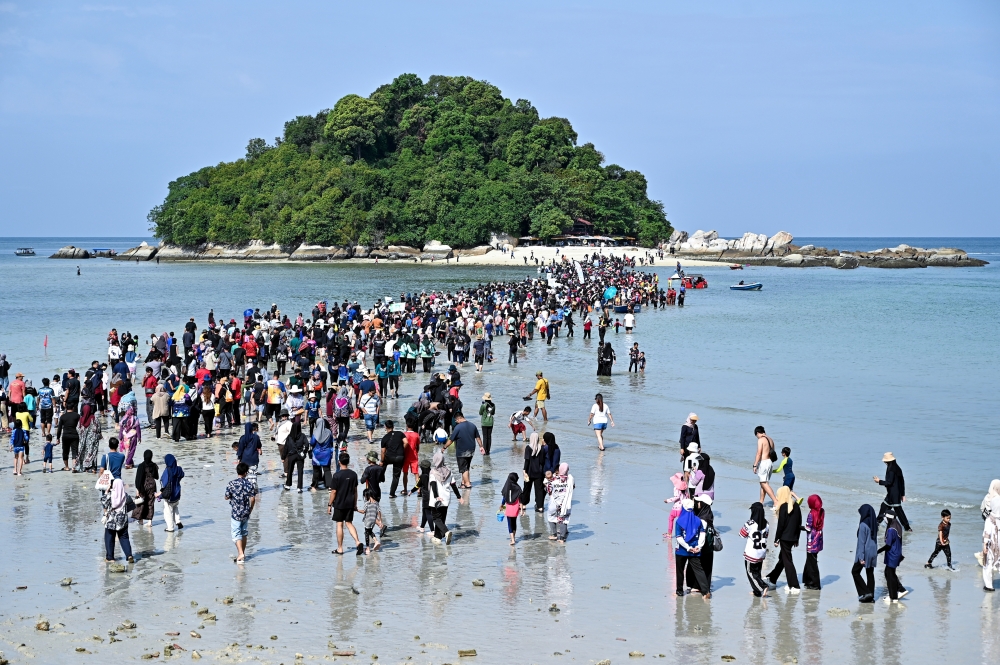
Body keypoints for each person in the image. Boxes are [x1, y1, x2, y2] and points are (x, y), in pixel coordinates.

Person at [766, 486, 802, 593]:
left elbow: (781, 525)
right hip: (792, 538)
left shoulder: (783, 507)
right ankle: (772, 579)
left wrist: (776, 539)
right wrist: (797, 538)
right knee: (783, 559)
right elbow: (799, 523)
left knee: (787, 561)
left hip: (784, 538)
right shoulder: (796, 506)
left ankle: (794, 585)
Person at [328, 452, 363, 556]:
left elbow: (333, 492)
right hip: (350, 503)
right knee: (349, 523)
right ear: (348, 462)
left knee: (339, 524)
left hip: (339, 503)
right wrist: (355, 504)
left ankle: (340, 548)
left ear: (339, 462)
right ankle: (358, 542)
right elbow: (355, 491)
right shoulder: (353, 474)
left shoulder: (337, 475)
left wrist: (329, 505)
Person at [674, 498, 710, 599]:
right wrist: (699, 546)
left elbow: (679, 537)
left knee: (680, 570)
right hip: (695, 549)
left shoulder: (679, 521)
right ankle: (705, 591)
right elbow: (702, 534)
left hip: (681, 550)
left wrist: (688, 548)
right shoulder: (698, 520)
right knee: (699, 570)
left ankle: (679, 591)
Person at [226, 462, 258, 563]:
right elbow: (253, 499)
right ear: (246, 473)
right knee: (244, 532)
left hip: (236, 512)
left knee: (236, 534)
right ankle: (242, 555)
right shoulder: (249, 484)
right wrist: (250, 509)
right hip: (246, 511)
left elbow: (226, 496)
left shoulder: (231, 483)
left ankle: (240, 553)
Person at [428, 450, 462, 544]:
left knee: (436, 518)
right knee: (441, 518)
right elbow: (453, 485)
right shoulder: (449, 471)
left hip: (436, 499)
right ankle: (437, 538)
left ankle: (446, 532)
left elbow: (433, 484)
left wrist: (436, 496)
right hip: (446, 498)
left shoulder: (433, 472)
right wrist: (459, 497)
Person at [444, 412, 483, 489]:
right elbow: (478, 438)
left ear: (458, 418)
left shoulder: (458, 428)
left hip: (462, 451)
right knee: (466, 466)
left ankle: (467, 484)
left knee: (463, 468)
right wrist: (481, 447)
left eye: (456, 420)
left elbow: (451, 440)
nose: (456, 422)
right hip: (471, 450)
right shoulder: (473, 425)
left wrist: (444, 447)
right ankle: (463, 483)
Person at [874, 452, 911, 531]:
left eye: (885, 461)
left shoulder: (891, 470)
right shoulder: (897, 468)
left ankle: (907, 528)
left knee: (899, 511)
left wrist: (879, 481)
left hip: (893, 495)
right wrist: (902, 494)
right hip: (893, 494)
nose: (884, 462)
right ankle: (877, 523)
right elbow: (902, 482)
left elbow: (889, 482)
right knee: (884, 506)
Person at [740, 502, 770, 597]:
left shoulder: (750, 523)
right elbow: (766, 536)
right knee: (757, 572)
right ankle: (756, 591)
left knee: (750, 573)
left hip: (751, 553)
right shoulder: (767, 524)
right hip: (761, 552)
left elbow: (742, 534)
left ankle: (763, 586)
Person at [101, 478, 134, 563]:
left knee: (109, 537)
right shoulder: (125, 495)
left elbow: (104, 503)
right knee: (124, 537)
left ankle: (110, 558)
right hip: (123, 519)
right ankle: (129, 555)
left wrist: (106, 491)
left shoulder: (110, 495)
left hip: (111, 520)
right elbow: (132, 505)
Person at [878, 510, 905, 603]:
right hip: (897, 553)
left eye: (885, 518)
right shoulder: (897, 525)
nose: (884, 519)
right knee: (888, 572)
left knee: (890, 575)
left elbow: (888, 545)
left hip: (892, 554)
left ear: (888, 518)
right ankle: (900, 589)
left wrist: (878, 551)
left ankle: (893, 597)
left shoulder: (891, 530)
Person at [853, 504, 878, 602]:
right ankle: (871, 597)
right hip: (873, 552)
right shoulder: (874, 523)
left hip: (865, 553)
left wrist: (861, 557)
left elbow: (861, 543)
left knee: (855, 572)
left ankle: (866, 592)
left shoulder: (863, 525)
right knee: (870, 573)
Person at [545, 462, 575, 544]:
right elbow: (573, 487)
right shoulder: (570, 479)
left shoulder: (553, 480)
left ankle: (554, 534)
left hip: (554, 503)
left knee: (551, 517)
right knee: (564, 519)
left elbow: (549, 490)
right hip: (566, 503)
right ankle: (562, 538)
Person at [802, 494, 824, 590]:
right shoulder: (822, 511)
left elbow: (808, 528)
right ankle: (807, 580)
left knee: (812, 563)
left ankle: (815, 584)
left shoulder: (811, 514)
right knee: (811, 560)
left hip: (811, 541)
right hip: (818, 540)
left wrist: (798, 527)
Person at [752, 426, 779, 507]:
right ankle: (761, 502)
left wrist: (755, 465)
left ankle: (775, 501)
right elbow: (772, 451)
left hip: (764, 462)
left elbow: (759, 453)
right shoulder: (770, 439)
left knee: (763, 483)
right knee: (764, 483)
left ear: (757, 433)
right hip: (770, 462)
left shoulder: (761, 440)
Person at [520, 432, 547, 513]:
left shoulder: (528, 448)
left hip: (529, 472)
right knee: (539, 490)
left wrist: (524, 470)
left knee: (526, 489)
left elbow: (527, 461)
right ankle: (540, 507)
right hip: (539, 473)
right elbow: (542, 461)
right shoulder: (541, 448)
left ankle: (524, 505)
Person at [132, 450, 159, 527]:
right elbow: (156, 477)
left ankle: (141, 520)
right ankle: (150, 522)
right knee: (151, 503)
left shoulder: (141, 465)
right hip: (152, 485)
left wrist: (138, 488)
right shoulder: (154, 465)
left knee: (141, 503)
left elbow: (138, 478)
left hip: (143, 485)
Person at [158, 453, 184, 532]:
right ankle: (178, 521)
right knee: (175, 507)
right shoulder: (179, 469)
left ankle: (170, 527)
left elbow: (163, 482)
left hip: (170, 495)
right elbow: (182, 475)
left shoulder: (167, 470)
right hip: (177, 493)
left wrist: (160, 494)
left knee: (168, 511)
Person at [282, 419, 308, 492]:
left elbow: (286, 448)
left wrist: (283, 457)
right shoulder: (302, 436)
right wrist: (304, 452)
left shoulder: (289, 436)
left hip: (291, 455)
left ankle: (288, 485)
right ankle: (299, 487)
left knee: (290, 470)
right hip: (300, 455)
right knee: (300, 471)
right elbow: (307, 445)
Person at [309, 417, 334, 492]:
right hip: (326, 454)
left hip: (317, 455)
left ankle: (314, 486)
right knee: (327, 470)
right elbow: (331, 442)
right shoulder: (329, 432)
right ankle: (330, 486)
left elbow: (312, 443)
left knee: (316, 470)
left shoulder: (315, 433)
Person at [236, 422, 262, 489]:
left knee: (245, 474)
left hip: (244, 459)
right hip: (254, 459)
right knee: (253, 475)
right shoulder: (256, 437)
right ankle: (253, 489)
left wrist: (239, 458)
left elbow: (240, 449)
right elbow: (259, 445)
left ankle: (246, 488)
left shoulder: (243, 438)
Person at [500, 472, 522, 545]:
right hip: (515, 508)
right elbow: (520, 499)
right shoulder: (518, 488)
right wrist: (521, 509)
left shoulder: (506, 487)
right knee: (514, 522)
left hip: (508, 508)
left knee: (509, 524)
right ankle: (514, 537)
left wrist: (502, 505)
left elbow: (504, 498)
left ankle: (512, 539)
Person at [983, 496, 1000, 592]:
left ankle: (989, 586)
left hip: (991, 546)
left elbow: (987, 533)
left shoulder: (989, 519)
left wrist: (985, 545)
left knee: (988, 564)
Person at [56, 405, 80, 471]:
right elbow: (80, 426)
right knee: (75, 451)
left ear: (66, 408)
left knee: (65, 451)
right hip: (74, 435)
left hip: (65, 435)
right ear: (73, 408)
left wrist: (58, 438)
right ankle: (74, 467)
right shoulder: (77, 416)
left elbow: (59, 428)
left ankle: (66, 467)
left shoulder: (63, 417)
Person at [362, 488, 383, 554]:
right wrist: (380, 521)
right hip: (374, 520)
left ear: (367, 495)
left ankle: (368, 549)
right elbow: (379, 512)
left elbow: (363, 511)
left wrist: (356, 510)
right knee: (370, 531)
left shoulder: (367, 503)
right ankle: (376, 541)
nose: (365, 498)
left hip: (367, 520)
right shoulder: (376, 503)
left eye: (365, 496)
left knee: (366, 533)